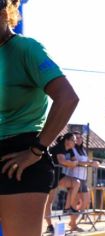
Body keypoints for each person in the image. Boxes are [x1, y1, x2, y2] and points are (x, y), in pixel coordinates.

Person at [0, 1, 79, 235]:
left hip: (19, 157)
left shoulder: (26, 49)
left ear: (4, 13)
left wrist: (36, 150)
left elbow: (67, 98)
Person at [44, 133, 80, 234]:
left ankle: (67, 207)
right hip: (50, 174)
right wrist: (72, 163)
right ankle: (49, 225)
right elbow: (62, 160)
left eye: (73, 140)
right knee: (49, 201)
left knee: (76, 183)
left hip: (59, 174)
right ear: (66, 140)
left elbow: (74, 161)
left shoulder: (70, 149)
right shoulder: (59, 147)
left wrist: (72, 162)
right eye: (72, 139)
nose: (73, 142)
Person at [65, 131, 100, 231]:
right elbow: (77, 162)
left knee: (86, 201)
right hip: (74, 178)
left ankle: (72, 222)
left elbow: (85, 162)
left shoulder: (82, 150)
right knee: (74, 202)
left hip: (83, 179)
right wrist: (90, 163)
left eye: (80, 137)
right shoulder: (71, 150)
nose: (79, 139)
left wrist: (94, 162)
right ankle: (73, 224)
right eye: (76, 138)